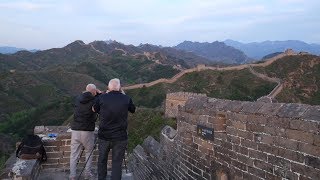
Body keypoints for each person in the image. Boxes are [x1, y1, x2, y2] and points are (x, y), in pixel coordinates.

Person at [93, 78, 136, 180]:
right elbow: (133, 109)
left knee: (102, 160)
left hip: (104, 136)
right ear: (120, 88)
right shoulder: (126, 98)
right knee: (117, 163)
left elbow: (94, 109)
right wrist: (124, 96)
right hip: (120, 137)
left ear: (108, 87)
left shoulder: (102, 98)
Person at [70, 84, 101, 180]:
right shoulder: (94, 100)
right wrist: (98, 94)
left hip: (75, 130)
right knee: (89, 152)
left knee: (74, 154)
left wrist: (94, 93)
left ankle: (72, 176)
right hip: (87, 131)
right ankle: (87, 174)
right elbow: (100, 104)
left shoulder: (78, 98)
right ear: (94, 91)